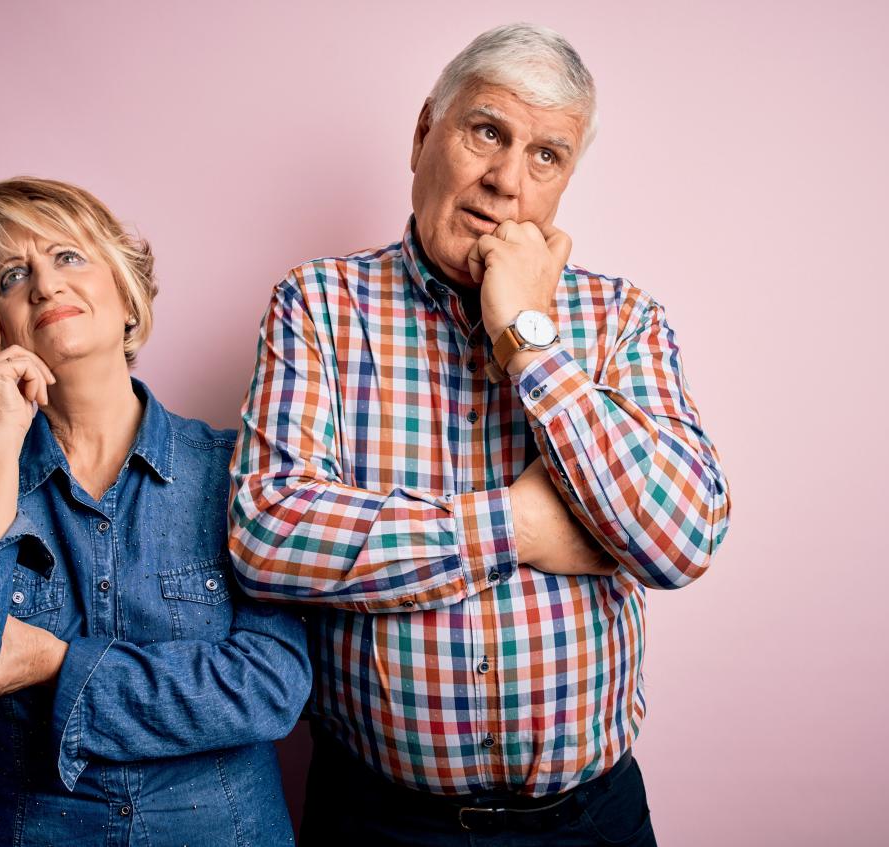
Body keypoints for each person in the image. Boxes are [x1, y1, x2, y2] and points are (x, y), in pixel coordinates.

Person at [229, 23, 731, 845]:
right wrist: (518, 526)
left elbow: (680, 540)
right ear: (426, 132)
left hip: (588, 820)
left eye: (546, 156)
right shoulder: (316, 304)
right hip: (379, 820)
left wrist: (528, 338)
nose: (505, 183)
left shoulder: (622, 320)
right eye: (487, 132)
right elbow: (270, 532)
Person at [0, 177, 310, 846]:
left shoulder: (236, 471)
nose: (44, 286)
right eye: (12, 277)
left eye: (67, 257)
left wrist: (55, 662)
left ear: (126, 295)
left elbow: (270, 686)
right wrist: (1, 436)